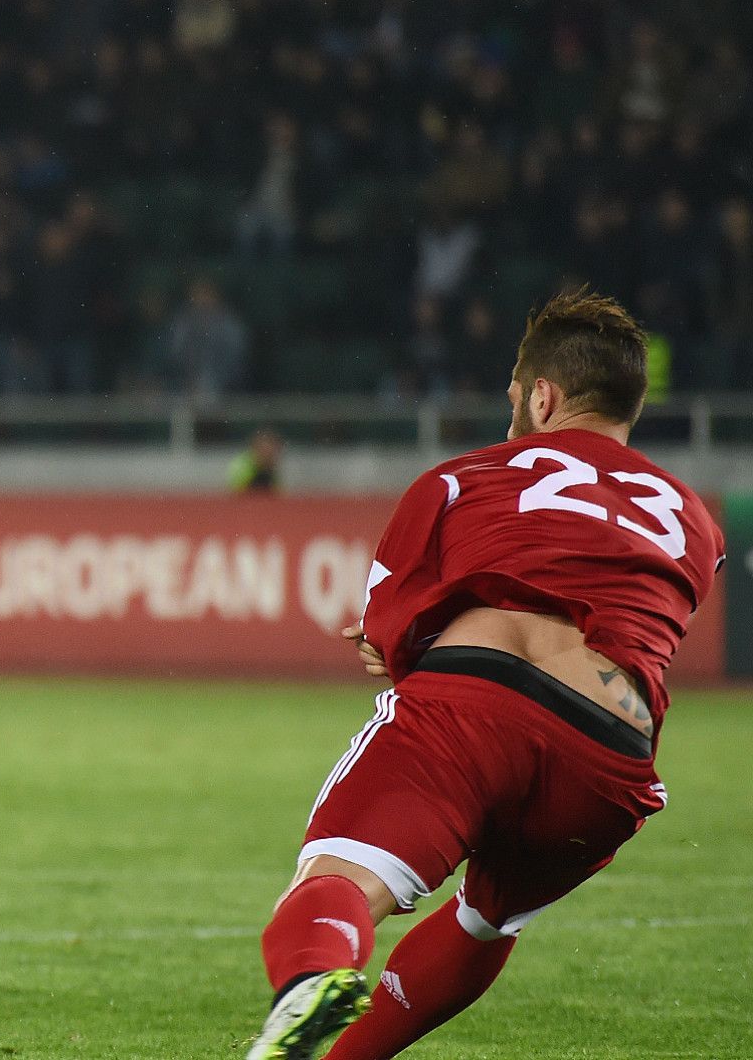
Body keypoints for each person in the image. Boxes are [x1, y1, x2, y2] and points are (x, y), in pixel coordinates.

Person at [244, 290, 723, 1060]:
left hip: (479, 703)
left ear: (543, 396)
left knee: (338, 880)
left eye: (513, 399)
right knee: (487, 918)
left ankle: (314, 976)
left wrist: (398, 642)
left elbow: (389, 631)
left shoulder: (461, 477)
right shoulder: (695, 519)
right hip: (610, 758)